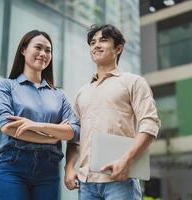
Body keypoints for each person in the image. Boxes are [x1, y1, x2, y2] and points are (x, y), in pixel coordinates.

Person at [64, 24, 160, 200]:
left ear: (118, 48)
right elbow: (75, 135)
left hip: (120, 180)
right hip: (86, 184)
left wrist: (126, 161)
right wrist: (69, 167)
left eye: (103, 40)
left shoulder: (133, 82)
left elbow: (150, 124)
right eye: (93, 42)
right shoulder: (82, 92)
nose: (96, 45)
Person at [0, 30, 80, 200]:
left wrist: (35, 126)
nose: (43, 54)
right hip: (13, 165)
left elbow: (74, 131)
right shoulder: (6, 87)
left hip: (49, 169)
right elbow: (7, 127)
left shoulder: (59, 95)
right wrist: (52, 137)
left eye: (48, 50)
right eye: (38, 47)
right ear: (23, 50)